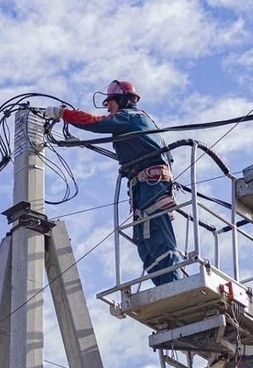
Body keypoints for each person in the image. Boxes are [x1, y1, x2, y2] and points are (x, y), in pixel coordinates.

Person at [46, 80, 182, 286]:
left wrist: (62, 113)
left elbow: (96, 122)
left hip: (152, 184)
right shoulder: (131, 123)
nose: (108, 107)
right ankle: (166, 287)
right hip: (142, 186)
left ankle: (175, 286)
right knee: (144, 241)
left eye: (110, 102)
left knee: (158, 236)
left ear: (123, 100)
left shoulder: (130, 117)